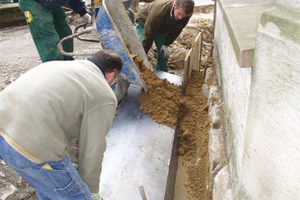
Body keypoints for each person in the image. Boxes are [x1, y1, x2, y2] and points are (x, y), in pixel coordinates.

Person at [0, 49, 122, 200]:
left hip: (4, 130)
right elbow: (93, 148)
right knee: (78, 196)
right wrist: (91, 190)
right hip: (30, 146)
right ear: (112, 75)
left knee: (48, 189)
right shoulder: (104, 94)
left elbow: (59, 115)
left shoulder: (59, 66)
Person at [19, 0, 92, 62]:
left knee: (65, 33)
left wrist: (83, 13)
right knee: (48, 38)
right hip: (33, 2)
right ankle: (54, 68)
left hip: (51, 3)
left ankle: (68, 63)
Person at [135, 0, 194, 72]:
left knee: (163, 55)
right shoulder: (158, 12)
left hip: (162, 27)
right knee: (140, 50)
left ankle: (162, 76)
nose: (180, 17)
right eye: (179, 13)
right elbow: (148, 35)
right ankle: (138, 71)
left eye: (183, 16)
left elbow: (177, 29)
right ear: (175, 6)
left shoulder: (186, 15)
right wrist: (143, 53)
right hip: (144, 23)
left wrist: (166, 43)